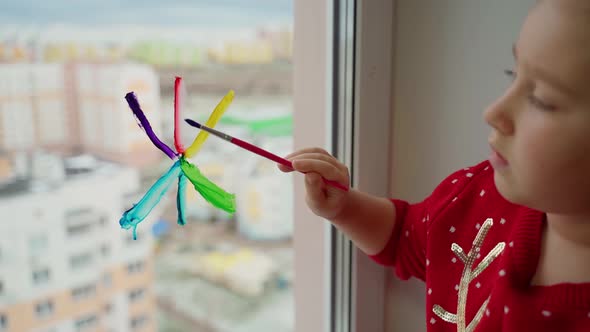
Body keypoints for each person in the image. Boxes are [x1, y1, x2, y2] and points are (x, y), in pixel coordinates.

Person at [279, 0, 590, 330]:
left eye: (541, 99)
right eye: (513, 74)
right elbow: (405, 238)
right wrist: (345, 207)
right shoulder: (479, 195)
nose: (493, 112)